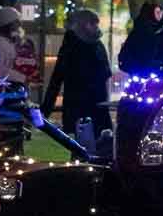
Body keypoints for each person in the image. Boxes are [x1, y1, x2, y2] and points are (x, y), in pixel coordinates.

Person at [43, 8, 112, 142]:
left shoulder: (93, 44)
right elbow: (58, 76)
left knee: (95, 142)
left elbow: (57, 76)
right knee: (83, 141)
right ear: (84, 24)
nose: (96, 27)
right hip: (80, 102)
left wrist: (46, 107)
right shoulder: (76, 45)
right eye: (93, 23)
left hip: (91, 102)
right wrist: (47, 107)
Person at [0, 4, 41, 90]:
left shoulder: (11, 42)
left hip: (14, 89)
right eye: (17, 23)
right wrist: (22, 78)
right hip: (3, 92)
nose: (19, 26)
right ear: (10, 25)